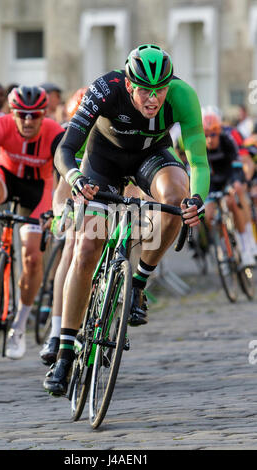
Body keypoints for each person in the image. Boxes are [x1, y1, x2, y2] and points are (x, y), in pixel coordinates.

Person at [43, 44, 210, 396]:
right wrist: (75, 179)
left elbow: (198, 162)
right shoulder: (106, 88)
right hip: (103, 163)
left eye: (160, 90)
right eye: (145, 90)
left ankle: (137, 282)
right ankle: (66, 351)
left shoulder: (183, 96)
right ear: (129, 84)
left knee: (177, 201)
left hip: (150, 158)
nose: (153, 99)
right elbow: (65, 149)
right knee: (86, 249)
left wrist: (198, 199)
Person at [0, 86, 65, 359]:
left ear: (44, 114)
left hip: (38, 188)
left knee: (31, 258)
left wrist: (55, 210)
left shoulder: (54, 131)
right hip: (4, 175)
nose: (28, 121)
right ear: (12, 113)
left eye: (35, 115)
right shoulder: (0, 125)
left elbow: (65, 174)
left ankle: (18, 327)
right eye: (22, 115)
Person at [39, 87, 88, 365]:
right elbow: (61, 189)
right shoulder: (70, 140)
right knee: (71, 247)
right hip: (81, 203)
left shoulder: (118, 135)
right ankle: (57, 333)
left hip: (112, 198)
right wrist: (60, 214)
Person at [202, 109, 256, 266]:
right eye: (206, 134)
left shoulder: (227, 140)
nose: (210, 139)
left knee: (233, 201)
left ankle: (246, 246)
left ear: (219, 132)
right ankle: (223, 247)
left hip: (228, 177)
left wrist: (237, 182)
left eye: (213, 134)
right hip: (211, 181)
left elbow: (238, 165)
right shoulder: (199, 145)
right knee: (209, 215)